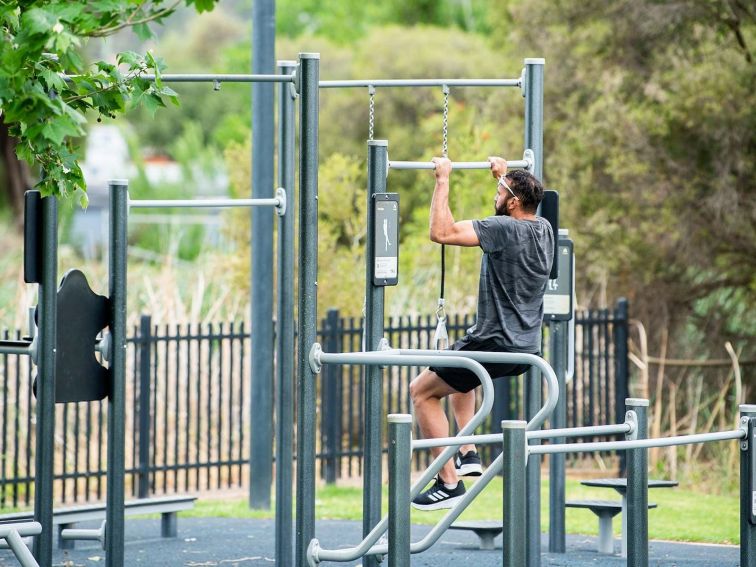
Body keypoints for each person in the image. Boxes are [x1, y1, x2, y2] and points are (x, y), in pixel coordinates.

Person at [409, 156, 554, 510]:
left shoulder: (502, 230)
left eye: (499, 191)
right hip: (526, 347)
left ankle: (448, 482)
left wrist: (443, 179)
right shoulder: (544, 229)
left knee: (421, 393)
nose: (495, 195)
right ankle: (468, 452)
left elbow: (440, 233)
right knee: (463, 375)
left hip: (494, 342)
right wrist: (504, 176)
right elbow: (512, 214)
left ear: (513, 201)